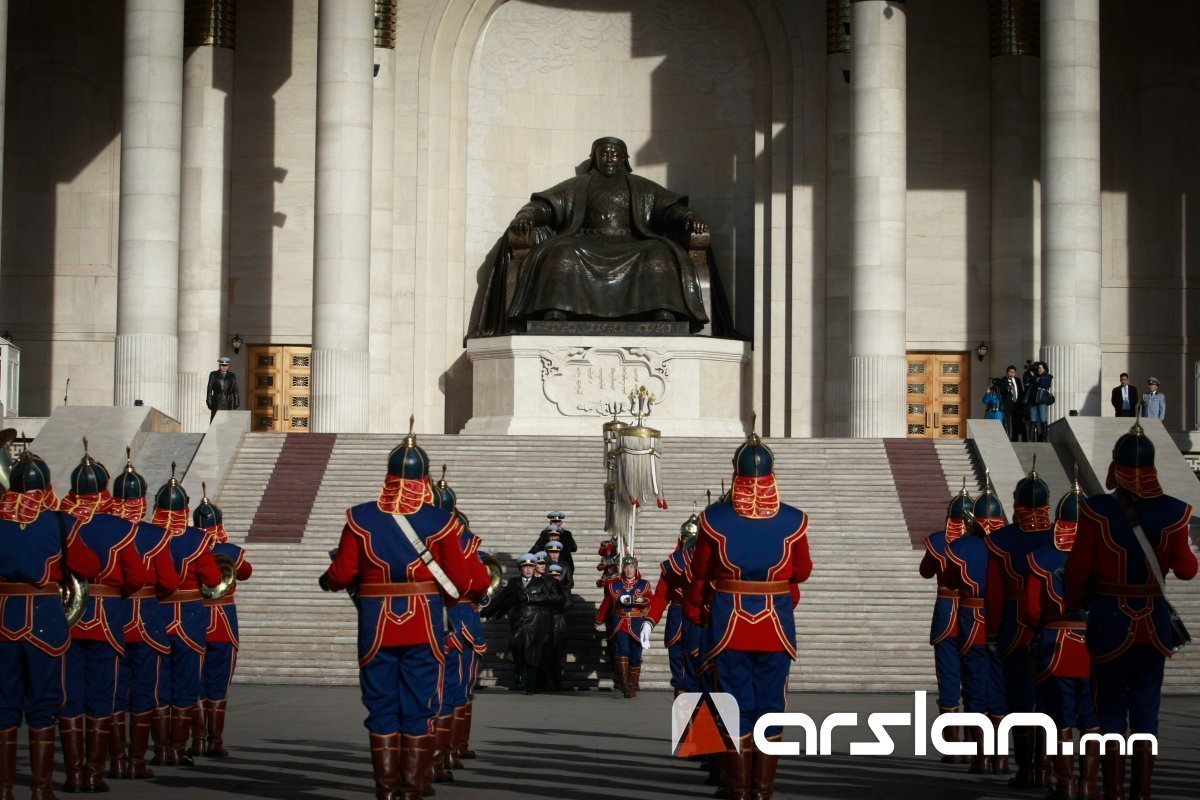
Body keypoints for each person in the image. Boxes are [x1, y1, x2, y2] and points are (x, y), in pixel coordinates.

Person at [318, 425, 474, 800]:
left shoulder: (361, 518)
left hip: (376, 624)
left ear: (388, 474)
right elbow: (462, 582)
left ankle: (385, 789)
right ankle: (411, 787)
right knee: (420, 704)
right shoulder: (442, 521)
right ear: (424, 478)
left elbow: (341, 575)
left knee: (381, 704)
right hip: (424, 621)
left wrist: (328, 580)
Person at [1065, 418, 1196, 799]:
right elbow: (1187, 570)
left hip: (1109, 617)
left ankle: (1114, 793)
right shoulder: (1175, 512)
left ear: (1116, 465)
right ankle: (1142, 793)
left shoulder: (1095, 510)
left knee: (1109, 710)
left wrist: (1073, 603)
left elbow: (1077, 570)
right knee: (1145, 710)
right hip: (1152, 620)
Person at [478, 136, 717, 334]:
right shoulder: (579, 184)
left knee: (658, 253)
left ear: (624, 159)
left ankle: (663, 311)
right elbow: (546, 207)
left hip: (631, 241)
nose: (610, 158)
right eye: (604, 154)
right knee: (562, 252)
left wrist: (687, 217)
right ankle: (556, 310)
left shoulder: (641, 186)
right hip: (586, 240)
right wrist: (526, 216)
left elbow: (668, 209)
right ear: (595, 158)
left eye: (615, 154)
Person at [686, 429, 813, 800]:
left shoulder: (714, 518)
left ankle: (739, 791)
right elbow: (802, 570)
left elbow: (701, 573)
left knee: (734, 705)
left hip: (729, 625)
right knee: (771, 707)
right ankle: (763, 792)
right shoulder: (793, 520)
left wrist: (697, 611)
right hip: (776, 626)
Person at [0, 448, 103, 800]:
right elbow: (89, 568)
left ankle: (4, 788)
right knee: (43, 703)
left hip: (3, 616)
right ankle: (42, 789)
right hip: (44, 616)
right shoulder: (58, 521)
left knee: (5, 703)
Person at [57, 443, 147, 792]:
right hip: (106, 619)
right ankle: (94, 773)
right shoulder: (119, 528)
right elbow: (136, 576)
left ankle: (73, 773)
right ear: (104, 490)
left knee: (69, 695)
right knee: (103, 695)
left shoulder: (58, 522)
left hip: (64, 617)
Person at [1023, 476, 1098, 800]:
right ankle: (1088, 785)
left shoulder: (1040, 558)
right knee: (1093, 721)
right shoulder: (1104, 555)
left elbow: (1030, 610)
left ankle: (1065, 784)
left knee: (1059, 719)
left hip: (1056, 648)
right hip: (1097, 648)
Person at [107, 452, 181, 780]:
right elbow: (168, 582)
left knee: (110, 689)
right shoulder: (155, 536)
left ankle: (116, 758)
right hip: (148, 620)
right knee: (146, 688)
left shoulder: (100, 530)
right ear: (142, 499)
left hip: (110, 618)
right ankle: (136, 759)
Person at [984, 466, 1054, 787]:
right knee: (1053, 701)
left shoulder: (1001, 541)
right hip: (1057, 628)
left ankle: (1028, 770)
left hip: (1016, 626)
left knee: (1022, 699)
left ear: (1016, 502)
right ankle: (1050, 769)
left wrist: (993, 631)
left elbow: (996, 595)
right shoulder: (1063, 537)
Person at [149, 469, 223, 768]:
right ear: (185, 508)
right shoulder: (197, 539)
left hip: (156, 613)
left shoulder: (146, 534)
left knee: (157, 682)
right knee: (186, 682)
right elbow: (213, 577)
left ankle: (160, 748)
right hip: (190, 618)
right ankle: (178, 749)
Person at [945, 483, 1008, 775]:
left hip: (973, 621)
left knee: (974, 689)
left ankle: (981, 757)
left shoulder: (960, 547)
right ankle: (1002, 757)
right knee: (1001, 690)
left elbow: (949, 577)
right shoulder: (1010, 543)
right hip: (1005, 622)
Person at [192, 489, 253, 759]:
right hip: (222, 623)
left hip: (193, 620)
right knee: (218, 683)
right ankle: (214, 740)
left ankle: (197, 739)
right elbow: (246, 571)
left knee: (193, 681)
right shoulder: (230, 550)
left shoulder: (188, 546)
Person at [918, 486, 971, 764]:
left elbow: (926, 571)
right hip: (976, 615)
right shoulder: (982, 544)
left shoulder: (939, 542)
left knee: (949, 679)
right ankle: (977, 747)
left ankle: (952, 748)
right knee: (975, 680)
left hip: (946, 614)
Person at [480, 554, 561, 695]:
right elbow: (501, 599)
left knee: (532, 653)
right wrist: (488, 611)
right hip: (518, 622)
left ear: (534, 568)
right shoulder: (513, 583)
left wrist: (531, 597)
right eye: (525, 567)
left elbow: (555, 597)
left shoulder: (542, 583)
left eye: (530, 566)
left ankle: (530, 684)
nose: (528, 569)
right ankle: (521, 676)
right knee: (517, 648)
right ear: (520, 569)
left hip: (535, 623)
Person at [648, 513, 699, 697]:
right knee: (679, 677)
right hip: (677, 617)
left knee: (700, 676)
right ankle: (684, 725)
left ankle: (703, 724)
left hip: (701, 620)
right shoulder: (673, 563)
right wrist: (649, 621)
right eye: (687, 538)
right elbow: (661, 596)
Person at [595, 556, 654, 699]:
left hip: (636, 623)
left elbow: (650, 601)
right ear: (623, 568)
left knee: (635, 656)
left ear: (636, 568)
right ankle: (625, 685)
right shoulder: (614, 585)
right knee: (622, 650)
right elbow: (607, 604)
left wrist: (634, 600)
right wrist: (599, 619)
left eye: (632, 567)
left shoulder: (643, 584)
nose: (629, 570)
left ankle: (633, 684)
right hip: (619, 622)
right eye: (626, 567)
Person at [1024, 361, 1054, 442]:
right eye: (1038, 368)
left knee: (1042, 418)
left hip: (1042, 400)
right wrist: (1028, 375)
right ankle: (1031, 439)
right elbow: (1026, 384)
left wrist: (1034, 377)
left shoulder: (1047, 376)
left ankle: (1043, 438)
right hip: (1032, 400)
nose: (1039, 369)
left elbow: (1045, 384)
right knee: (1032, 419)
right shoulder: (1033, 376)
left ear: (1044, 368)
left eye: (1040, 368)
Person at [205, 356, 240, 423]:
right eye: (222, 365)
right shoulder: (213, 374)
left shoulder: (232, 375)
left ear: (228, 366)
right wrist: (209, 401)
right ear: (219, 365)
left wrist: (237, 401)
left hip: (228, 400)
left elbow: (235, 390)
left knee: (227, 420)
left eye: (226, 365)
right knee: (216, 420)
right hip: (217, 399)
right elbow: (209, 389)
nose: (224, 367)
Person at [999, 365, 1025, 442]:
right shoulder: (1003, 381)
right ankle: (1007, 438)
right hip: (1007, 405)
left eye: (1013, 372)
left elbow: (1020, 392)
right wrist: (1008, 389)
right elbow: (1001, 392)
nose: (1011, 374)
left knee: (1016, 423)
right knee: (1007, 423)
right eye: (1010, 372)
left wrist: (1020, 404)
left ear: (1015, 373)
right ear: (1007, 372)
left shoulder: (1018, 380)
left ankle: (1015, 440)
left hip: (1016, 405)